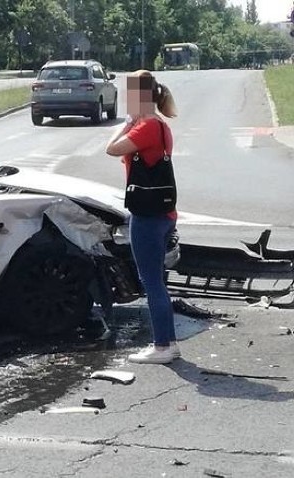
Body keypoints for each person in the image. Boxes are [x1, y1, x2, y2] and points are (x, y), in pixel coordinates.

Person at [105, 70, 180, 364]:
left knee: (151, 282)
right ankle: (167, 343)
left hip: (148, 215)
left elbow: (111, 149)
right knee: (155, 280)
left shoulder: (146, 127)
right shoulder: (160, 125)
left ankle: (163, 347)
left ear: (141, 97)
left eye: (129, 94)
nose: (126, 100)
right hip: (161, 211)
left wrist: (123, 125)